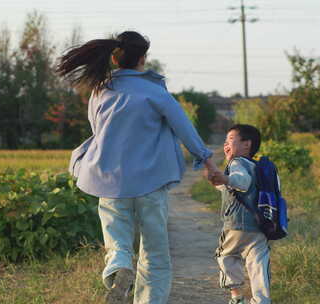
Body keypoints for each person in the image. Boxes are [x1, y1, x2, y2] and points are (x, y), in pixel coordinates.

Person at [56, 31, 218, 304]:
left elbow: (98, 130)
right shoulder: (155, 92)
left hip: (109, 179)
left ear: (115, 58)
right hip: (151, 181)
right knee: (155, 250)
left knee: (117, 240)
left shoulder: (100, 90)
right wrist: (208, 162)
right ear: (142, 58)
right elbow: (184, 129)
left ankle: (119, 267)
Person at [209, 124, 271, 304]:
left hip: (236, 225)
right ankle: (261, 300)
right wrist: (221, 181)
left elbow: (241, 182)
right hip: (260, 226)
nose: (225, 144)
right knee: (258, 264)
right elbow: (230, 188)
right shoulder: (257, 167)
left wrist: (227, 178)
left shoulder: (236, 163)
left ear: (246, 145)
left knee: (225, 255)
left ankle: (236, 296)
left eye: (230, 139)